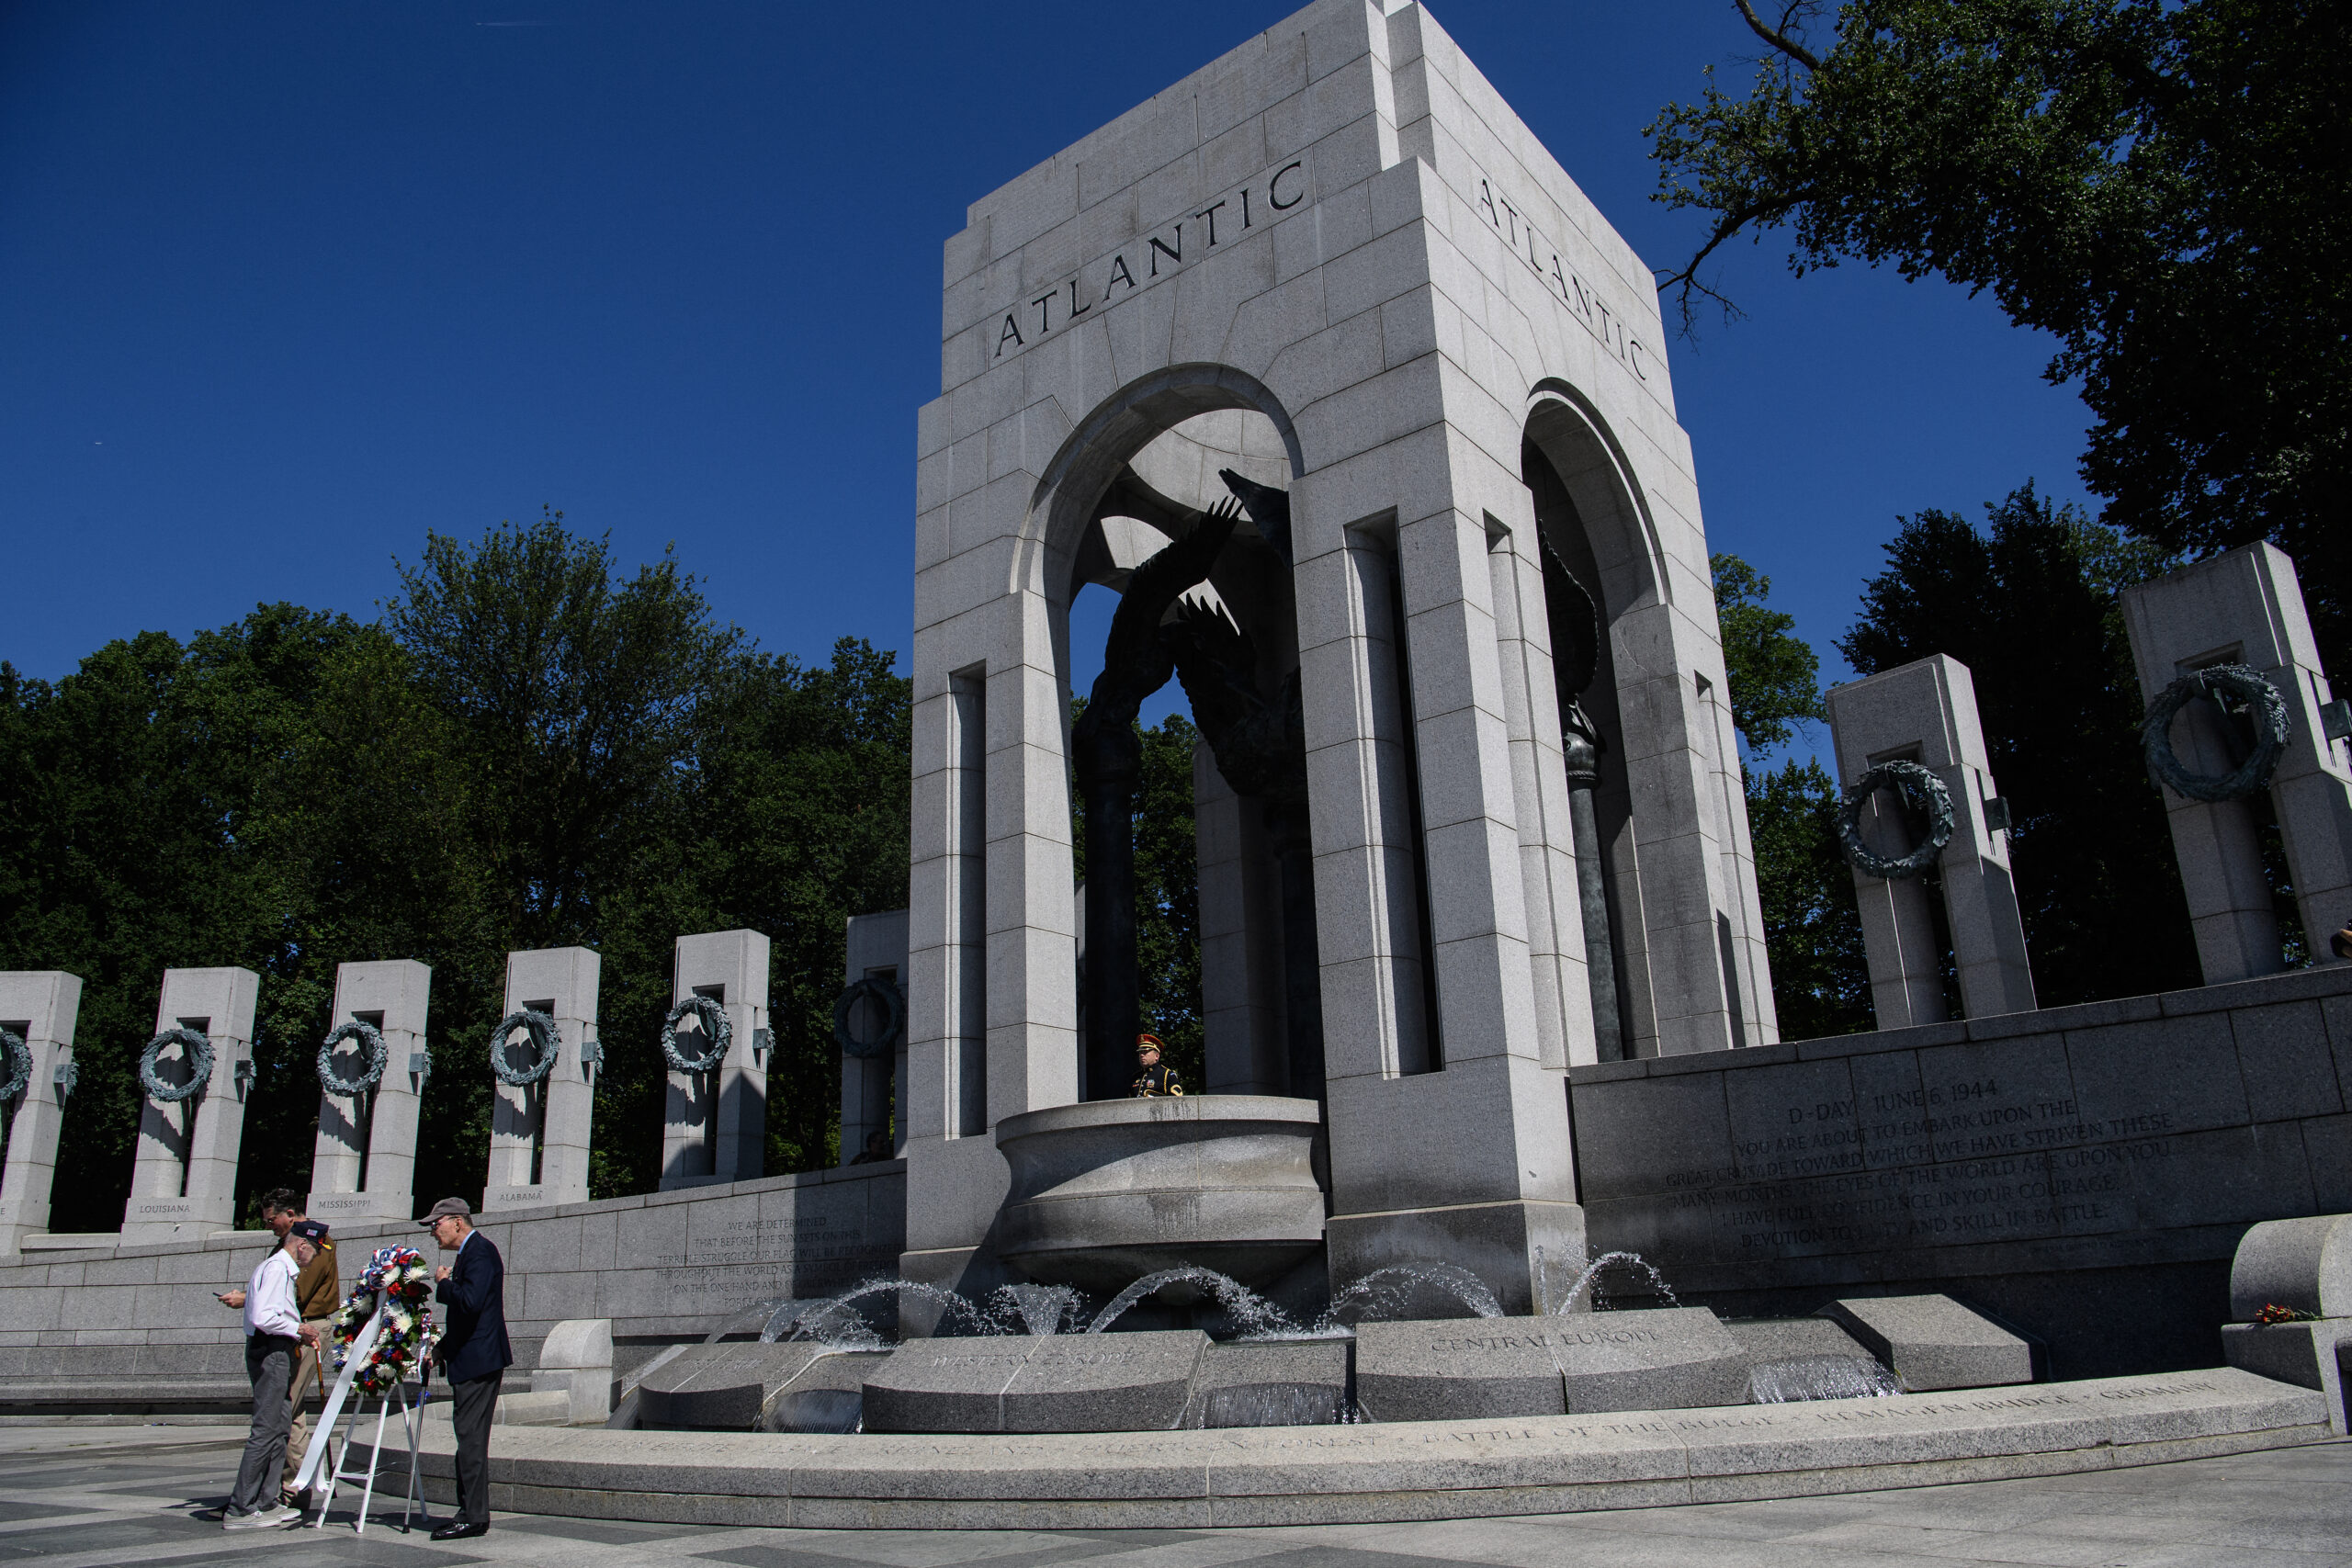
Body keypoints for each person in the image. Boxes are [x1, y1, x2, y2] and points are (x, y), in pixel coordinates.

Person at [215, 1190, 340, 1506]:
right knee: (284, 1411)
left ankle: (285, 1490)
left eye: (272, 1219)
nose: (268, 1225)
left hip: (305, 1328)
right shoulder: (288, 1246)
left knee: (282, 1412)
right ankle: (282, 1488)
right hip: (292, 1331)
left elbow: (296, 1293)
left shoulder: (312, 1242)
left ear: (290, 1215)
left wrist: (246, 1298)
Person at [424, 1197, 510, 1541]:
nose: (433, 1232)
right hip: (471, 1358)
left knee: (470, 1439)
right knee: (467, 1438)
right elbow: (467, 1317)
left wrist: (444, 1283)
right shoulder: (469, 1253)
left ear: (457, 1221)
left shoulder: (480, 1252)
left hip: (479, 1361)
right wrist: (442, 1349)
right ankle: (470, 1512)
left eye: (436, 1224)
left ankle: (473, 1516)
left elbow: (471, 1303)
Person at [1130, 1032, 1182, 1098]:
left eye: (1145, 1052)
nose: (1142, 1055)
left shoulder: (1167, 1075)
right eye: (1140, 1052)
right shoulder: (1135, 1077)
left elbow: (1176, 1100)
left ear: (1157, 1056)